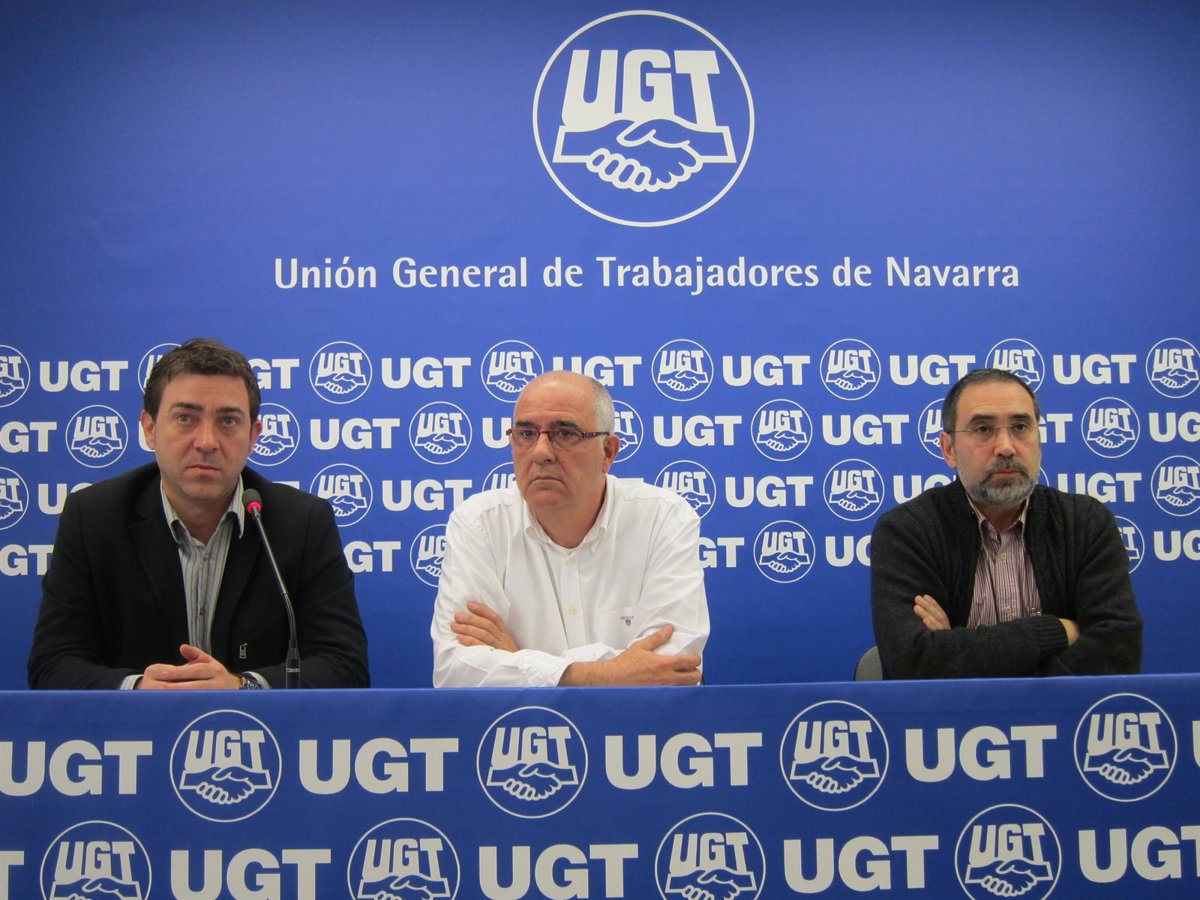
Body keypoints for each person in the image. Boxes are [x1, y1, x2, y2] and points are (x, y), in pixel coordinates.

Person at [28, 338, 369, 690]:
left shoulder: (303, 523)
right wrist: (137, 689)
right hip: (135, 725)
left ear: (253, 436)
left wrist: (243, 688)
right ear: (149, 428)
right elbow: (53, 665)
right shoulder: (93, 518)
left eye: (228, 420)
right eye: (185, 418)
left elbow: (345, 665)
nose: (206, 441)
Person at [431, 371, 709, 687]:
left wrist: (519, 661)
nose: (540, 452)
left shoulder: (664, 519)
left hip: (632, 723)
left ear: (608, 452)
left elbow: (673, 669)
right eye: (526, 433)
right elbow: (454, 672)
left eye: (565, 434)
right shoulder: (479, 524)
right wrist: (607, 674)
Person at [870, 368, 1142, 678]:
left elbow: (1118, 654)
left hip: (1062, 713)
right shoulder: (908, 532)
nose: (1006, 447)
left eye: (1020, 427)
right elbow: (913, 662)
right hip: (957, 714)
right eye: (983, 429)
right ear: (949, 449)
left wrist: (957, 649)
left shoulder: (1085, 523)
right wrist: (1054, 631)